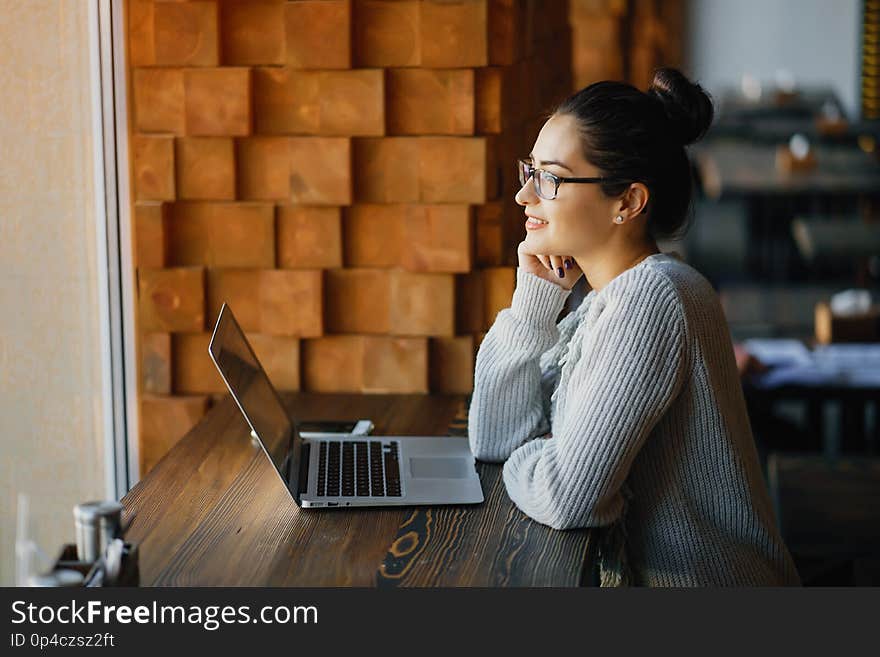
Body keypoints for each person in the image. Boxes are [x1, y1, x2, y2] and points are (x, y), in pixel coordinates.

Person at [468, 67, 801, 587]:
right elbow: (492, 437)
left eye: (550, 178)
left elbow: (566, 495)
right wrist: (535, 300)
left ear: (627, 201)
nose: (524, 197)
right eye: (528, 172)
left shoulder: (652, 300)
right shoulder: (603, 301)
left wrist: (529, 456)